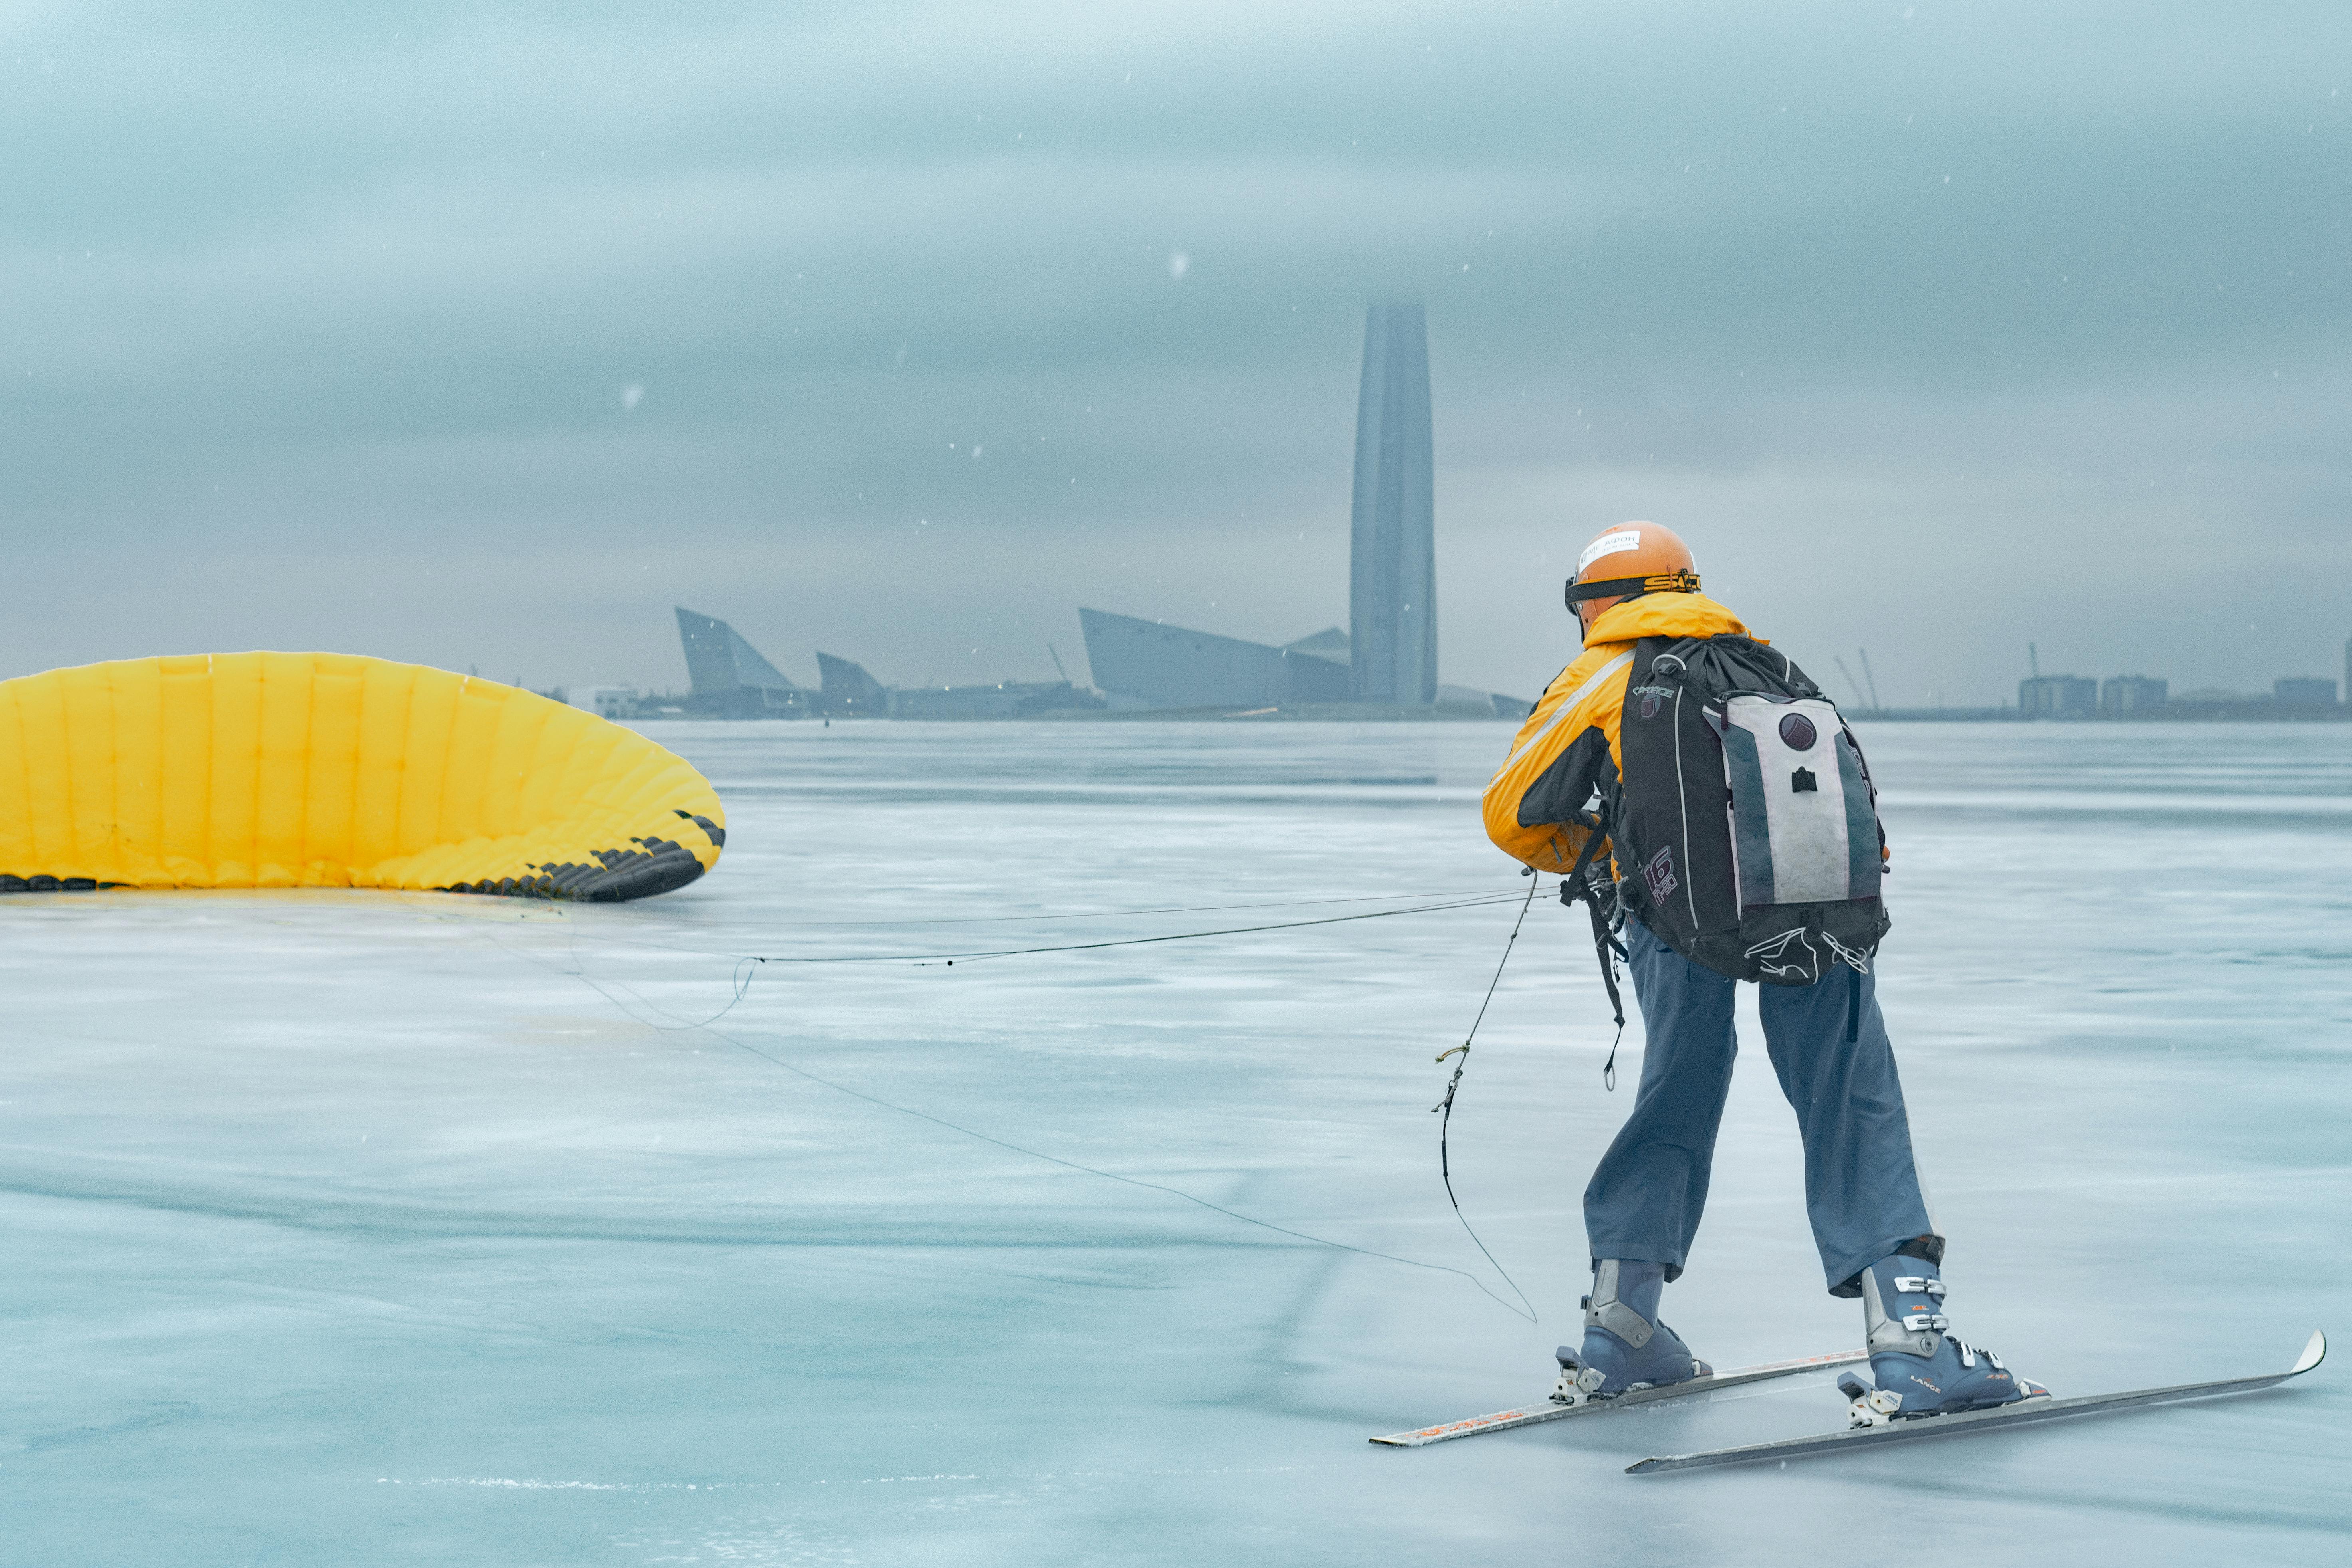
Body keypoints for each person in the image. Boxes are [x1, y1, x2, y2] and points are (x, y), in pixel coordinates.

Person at [1479, 521, 2044, 1421]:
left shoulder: (1601, 671)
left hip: (1674, 914)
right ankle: (1911, 1341)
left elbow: (1509, 814)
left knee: (1677, 1088)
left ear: (1594, 600)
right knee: (1849, 1095)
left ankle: (1621, 1325)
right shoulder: (1766, 664)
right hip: (1810, 905)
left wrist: (1607, 853)